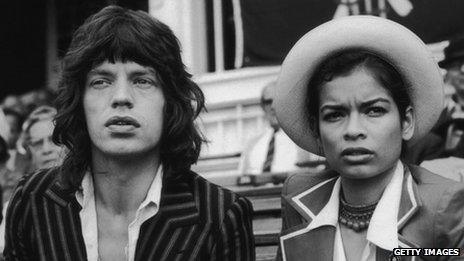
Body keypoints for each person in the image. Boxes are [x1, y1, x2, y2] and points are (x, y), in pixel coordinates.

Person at [4, 6, 254, 261]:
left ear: (169, 102)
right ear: (79, 102)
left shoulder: (219, 215)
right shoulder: (33, 200)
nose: (121, 98)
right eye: (101, 81)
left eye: (142, 80)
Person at [273, 16, 464, 261]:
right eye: (334, 115)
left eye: (374, 110)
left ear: (406, 122)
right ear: (316, 130)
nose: (353, 130)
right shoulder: (300, 196)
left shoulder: (444, 206)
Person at [239, 82, 324, 178]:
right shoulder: (252, 145)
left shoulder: (304, 140)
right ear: (262, 107)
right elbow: (241, 179)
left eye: (278, 100)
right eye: (268, 102)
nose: (273, 106)